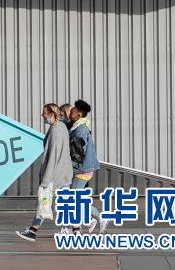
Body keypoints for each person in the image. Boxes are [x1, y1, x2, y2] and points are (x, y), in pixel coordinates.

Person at [15, 103, 73, 241]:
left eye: (45, 113)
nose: (43, 115)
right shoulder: (61, 127)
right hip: (64, 172)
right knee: (60, 203)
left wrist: (46, 179)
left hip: (55, 174)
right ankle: (69, 229)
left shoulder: (55, 130)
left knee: (44, 201)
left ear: (52, 114)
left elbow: (53, 155)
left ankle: (33, 231)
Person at [68, 99, 108, 233]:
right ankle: (82, 224)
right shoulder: (78, 126)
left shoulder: (80, 129)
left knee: (74, 199)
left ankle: (98, 217)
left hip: (81, 169)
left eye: (72, 112)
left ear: (78, 114)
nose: (69, 114)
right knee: (76, 199)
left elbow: (78, 152)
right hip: (82, 169)